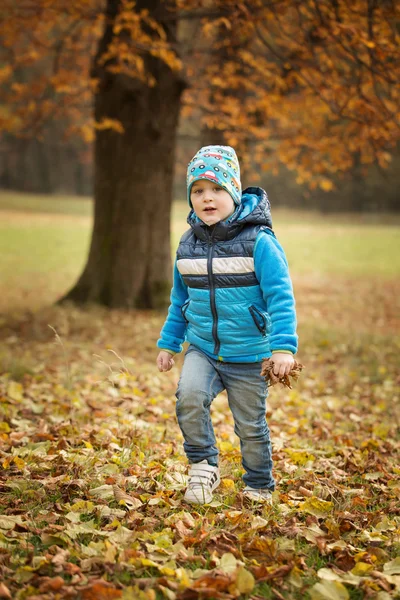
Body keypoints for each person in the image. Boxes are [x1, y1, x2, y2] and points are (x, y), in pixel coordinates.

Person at [156, 145, 298, 505]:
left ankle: (259, 484)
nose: (207, 198)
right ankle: (203, 467)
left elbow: (281, 296)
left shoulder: (259, 242)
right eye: (198, 191)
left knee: (250, 426)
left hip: (250, 354)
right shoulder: (187, 245)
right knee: (189, 397)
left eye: (217, 189)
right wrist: (169, 342)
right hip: (203, 348)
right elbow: (180, 300)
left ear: (234, 192)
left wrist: (283, 348)